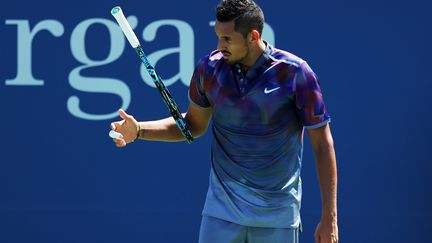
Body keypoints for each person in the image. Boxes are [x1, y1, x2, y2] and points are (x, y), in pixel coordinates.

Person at [110, 0, 338, 242]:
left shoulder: (295, 74)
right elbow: (192, 127)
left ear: (253, 36)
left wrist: (329, 218)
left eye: (227, 39)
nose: (220, 46)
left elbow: (323, 145)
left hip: (278, 217)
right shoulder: (209, 69)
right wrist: (140, 130)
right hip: (221, 214)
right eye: (218, 37)